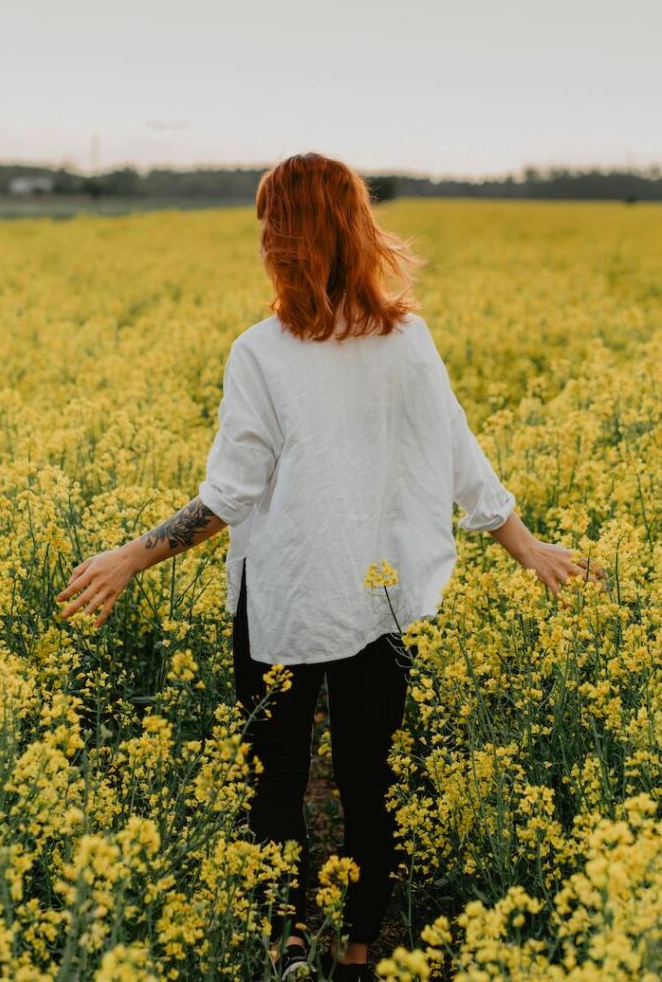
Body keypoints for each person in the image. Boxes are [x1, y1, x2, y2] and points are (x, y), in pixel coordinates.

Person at [56, 153, 607, 981]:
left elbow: (230, 496)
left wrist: (132, 557)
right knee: (368, 779)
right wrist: (523, 544)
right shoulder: (406, 340)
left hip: (283, 600)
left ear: (281, 237)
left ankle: (285, 943)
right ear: (356, 228)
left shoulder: (261, 352)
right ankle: (355, 953)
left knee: (273, 781)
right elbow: (457, 452)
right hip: (377, 605)